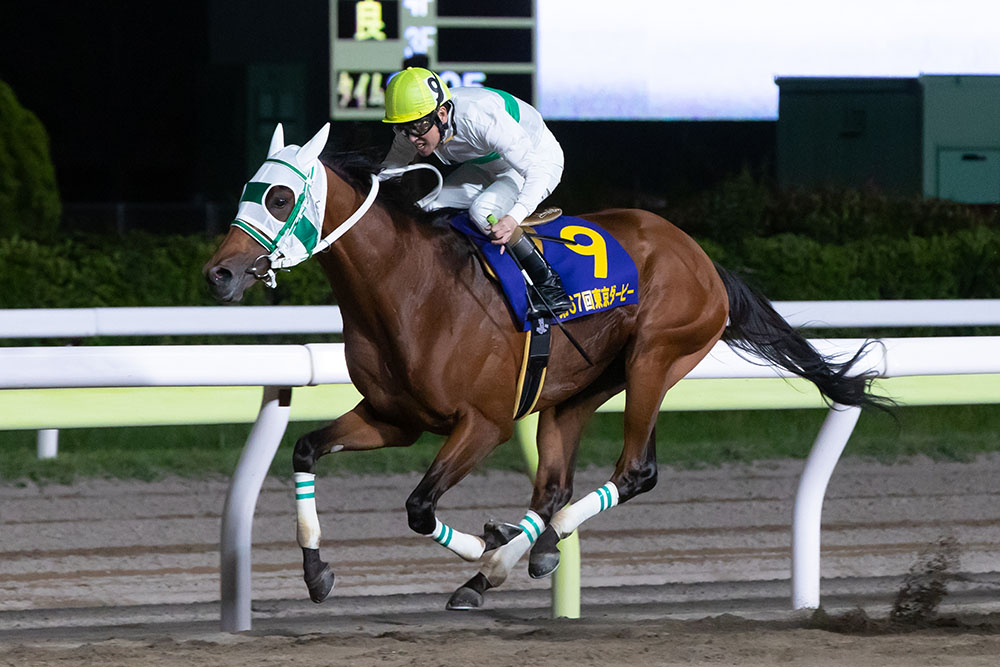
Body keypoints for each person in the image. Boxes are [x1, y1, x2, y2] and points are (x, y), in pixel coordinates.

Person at [380, 67, 572, 318]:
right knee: (425, 208)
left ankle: (549, 284)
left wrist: (513, 217)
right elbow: (388, 173)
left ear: (441, 113)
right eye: (403, 128)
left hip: (537, 163)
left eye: (418, 127)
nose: (412, 138)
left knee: (483, 211)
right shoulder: (419, 124)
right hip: (489, 165)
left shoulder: (480, 117)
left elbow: (536, 171)